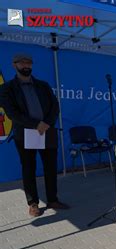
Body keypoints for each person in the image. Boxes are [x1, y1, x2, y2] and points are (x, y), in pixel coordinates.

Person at [0, 53, 69, 217]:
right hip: (25, 133)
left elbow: (55, 106)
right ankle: (33, 203)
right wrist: (35, 124)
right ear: (14, 65)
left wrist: (46, 123)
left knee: (50, 167)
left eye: (29, 63)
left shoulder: (43, 85)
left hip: (47, 130)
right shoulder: (6, 89)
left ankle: (52, 199)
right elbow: (12, 113)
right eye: (22, 63)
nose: (26, 66)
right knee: (29, 168)